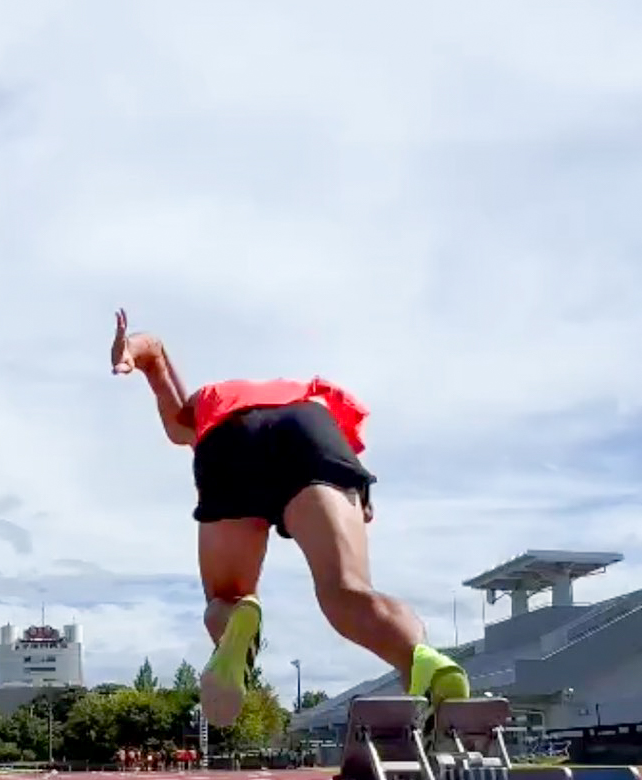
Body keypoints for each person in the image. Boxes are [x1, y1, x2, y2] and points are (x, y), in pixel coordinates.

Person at [109, 309, 469, 730]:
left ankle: (237, 626)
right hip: (309, 429)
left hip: (228, 436)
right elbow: (355, 491)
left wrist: (130, 351)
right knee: (347, 591)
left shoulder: (203, 408)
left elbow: (155, 355)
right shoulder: (312, 397)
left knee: (225, 599)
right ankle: (424, 661)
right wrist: (359, 503)